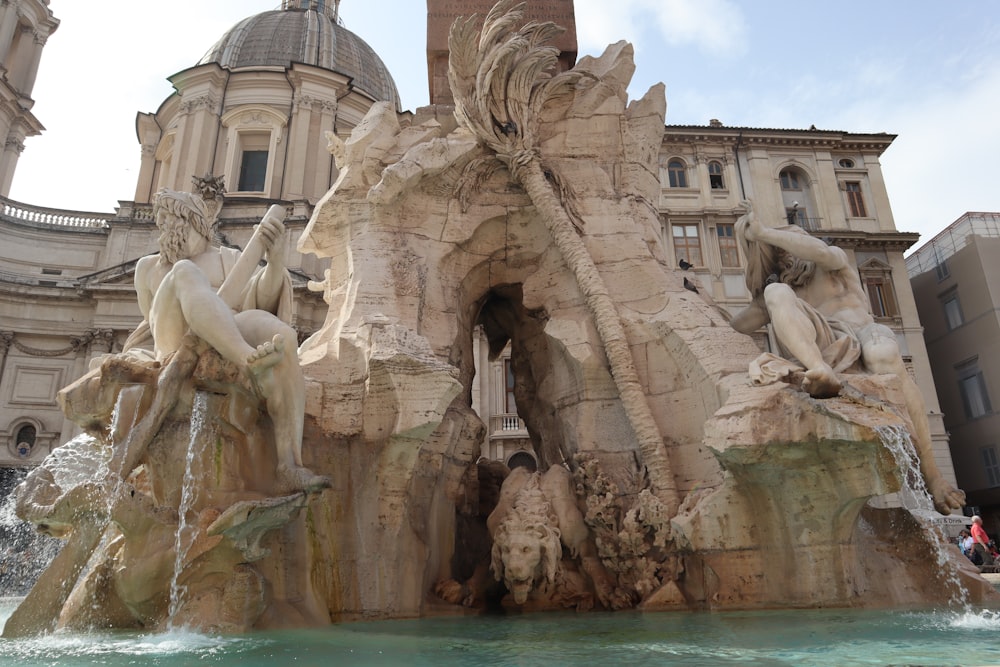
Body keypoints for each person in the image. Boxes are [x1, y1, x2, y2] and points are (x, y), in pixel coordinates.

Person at [730, 199, 964, 515]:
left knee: (881, 351)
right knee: (774, 294)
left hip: (862, 332)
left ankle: (932, 474)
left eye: (791, 241)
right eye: (782, 253)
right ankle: (820, 371)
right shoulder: (783, 292)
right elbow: (735, 327)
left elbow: (819, 250)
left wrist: (765, 232)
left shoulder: (832, 261)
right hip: (824, 351)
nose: (790, 253)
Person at [131, 188, 327, 493]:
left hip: (228, 328)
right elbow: (151, 322)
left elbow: (258, 297)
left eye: (170, 218)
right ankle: (248, 359)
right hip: (176, 340)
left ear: (193, 223)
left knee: (284, 337)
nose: (163, 226)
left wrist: (275, 262)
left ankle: (289, 464)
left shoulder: (228, 258)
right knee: (185, 271)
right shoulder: (148, 268)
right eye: (162, 219)